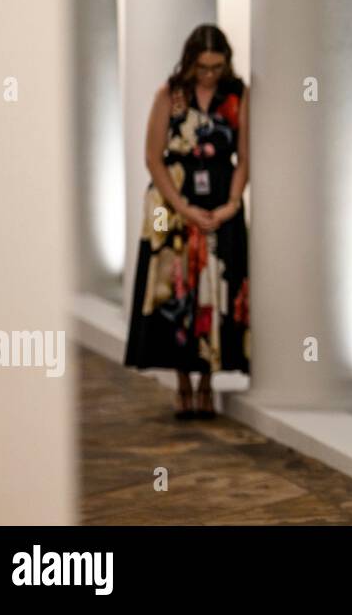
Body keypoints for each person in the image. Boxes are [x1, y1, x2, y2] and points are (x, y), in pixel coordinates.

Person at [123, 25, 251, 418]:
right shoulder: (169, 94)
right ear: (190, 61)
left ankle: (207, 381)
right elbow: (153, 156)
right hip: (168, 202)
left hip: (219, 199)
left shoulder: (237, 96)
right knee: (173, 286)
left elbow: (245, 157)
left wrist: (231, 204)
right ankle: (181, 381)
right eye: (202, 67)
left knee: (216, 285)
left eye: (216, 66)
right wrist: (180, 207)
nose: (209, 74)